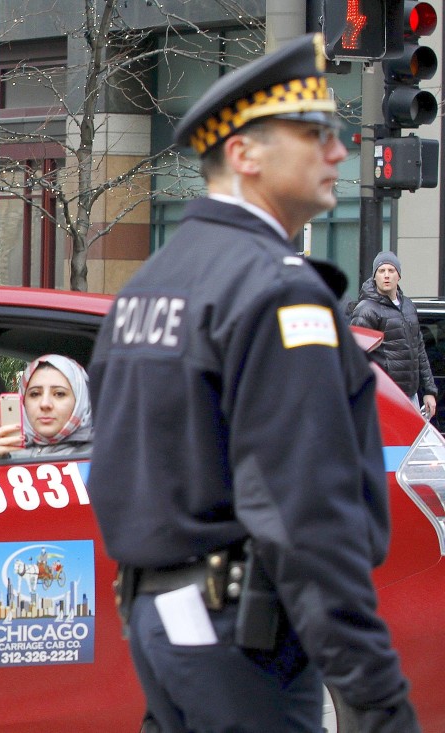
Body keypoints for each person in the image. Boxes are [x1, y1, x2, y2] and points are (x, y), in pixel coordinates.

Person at [87, 34, 418, 733]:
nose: (338, 151)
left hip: (166, 625)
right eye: (314, 133)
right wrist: (376, 695)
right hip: (245, 638)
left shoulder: (150, 285)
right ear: (244, 153)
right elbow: (306, 512)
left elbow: (119, 474)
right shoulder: (276, 291)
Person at [350, 250, 437, 419]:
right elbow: (355, 358)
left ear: (399, 275)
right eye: (381, 271)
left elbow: (419, 350)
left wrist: (429, 390)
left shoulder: (408, 306)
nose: (386, 276)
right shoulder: (366, 310)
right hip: (384, 398)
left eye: (391, 271)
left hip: (410, 395)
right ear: (375, 277)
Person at [0, 354, 93, 461]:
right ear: (23, 399)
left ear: (80, 401)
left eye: (59, 394)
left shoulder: (100, 451)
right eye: (35, 394)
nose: (45, 404)